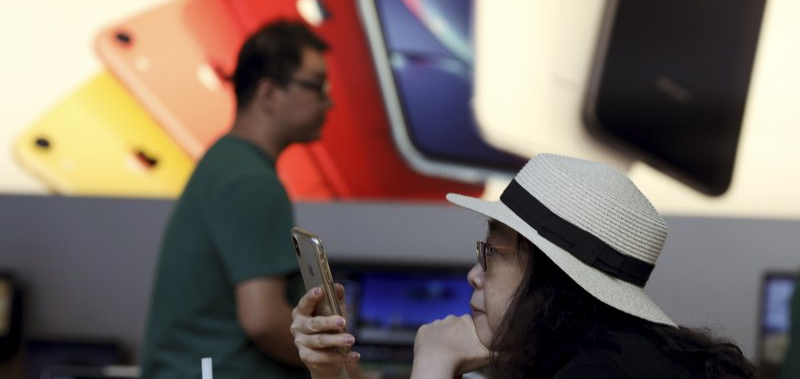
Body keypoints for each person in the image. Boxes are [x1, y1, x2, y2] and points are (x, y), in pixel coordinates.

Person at [291, 153, 756, 378]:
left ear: (548, 277)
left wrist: (434, 364)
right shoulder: (622, 356)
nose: (474, 274)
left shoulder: (595, 375)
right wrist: (334, 372)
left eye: (490, 255)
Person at [141, 20, 332, 378]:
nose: (328, 100)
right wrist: (343, 367)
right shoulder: (251, 180)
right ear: (269, 93)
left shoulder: (226, 162)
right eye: (316, 86)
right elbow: (262, 320)